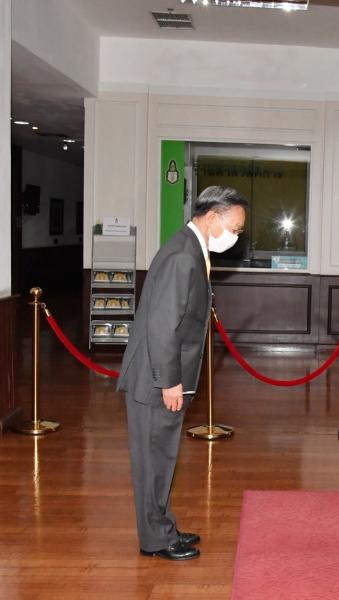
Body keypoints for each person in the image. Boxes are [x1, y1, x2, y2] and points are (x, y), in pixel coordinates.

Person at [117, 186, 247, 560]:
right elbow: (163, 325)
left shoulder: (190, 248)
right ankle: (155, 540)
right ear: (212, 217)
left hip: (162, 374)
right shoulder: (182, 256)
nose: (235, 237)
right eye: (234, 229)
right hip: (155, 379)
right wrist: (170, 381)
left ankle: (164, 526)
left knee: (162, 459)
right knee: (152, 462)